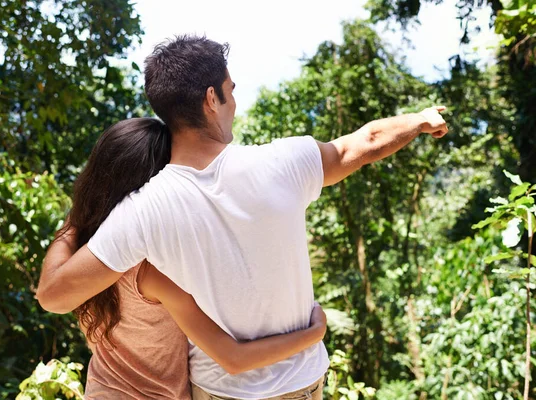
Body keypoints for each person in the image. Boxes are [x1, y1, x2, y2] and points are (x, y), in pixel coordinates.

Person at [37, 35, 448, 399]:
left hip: (217, 390)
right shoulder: (285, 161)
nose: (235, 101)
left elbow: (55, 296)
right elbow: (363, 143)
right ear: (211, 98)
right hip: (301, 383)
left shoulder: (142, 210)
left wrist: (77, 218)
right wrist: (419, 120)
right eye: (231, 91)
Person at [45, 117, 328, 399]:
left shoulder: (83, 258)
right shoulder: (152, 273)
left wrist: (78, 219)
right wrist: (312, 335)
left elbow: (49, 291)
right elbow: (233, 359)